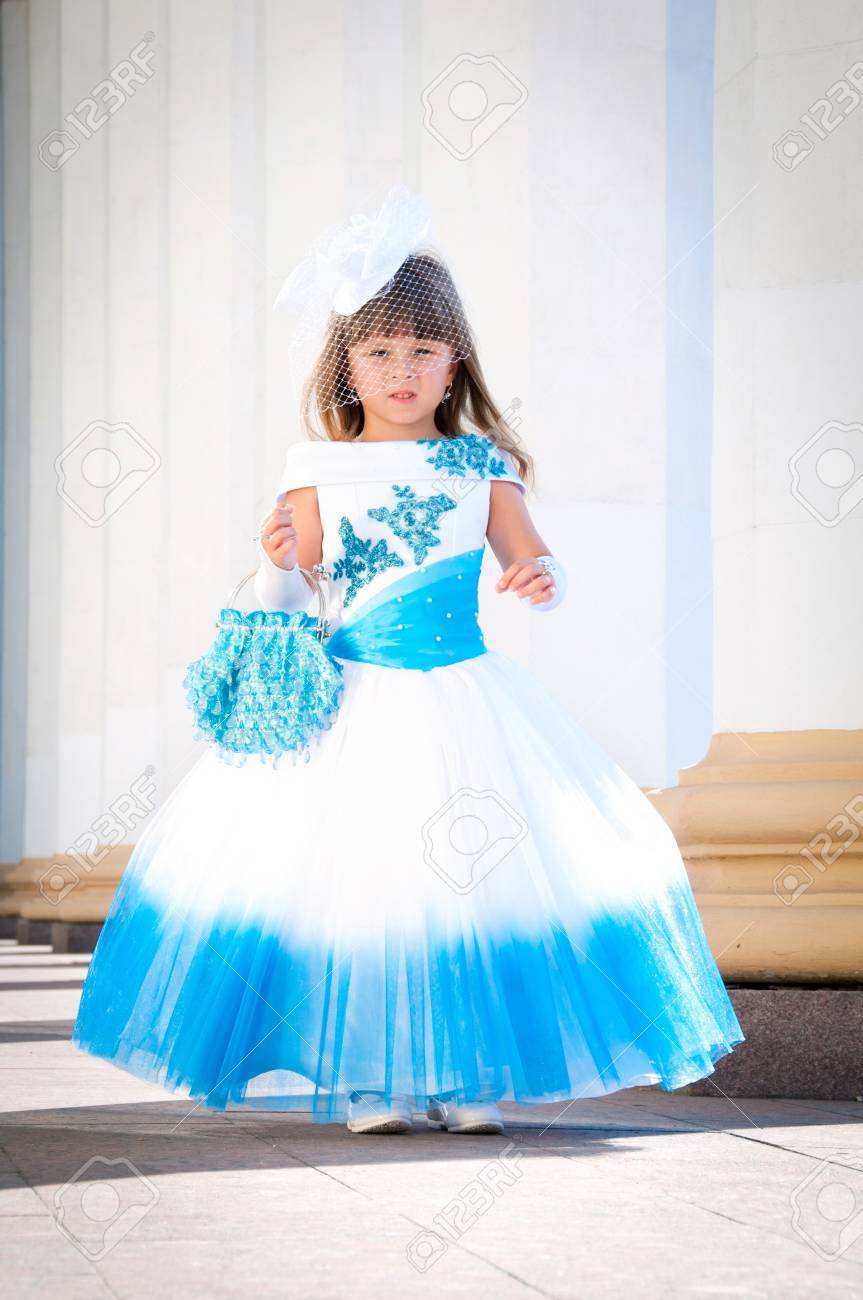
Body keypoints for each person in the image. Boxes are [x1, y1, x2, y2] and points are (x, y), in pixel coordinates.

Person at [72, 187, 743, 1136]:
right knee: (361, 878)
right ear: (345, 365)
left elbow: (530, 558)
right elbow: (291, 599)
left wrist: (542, 581)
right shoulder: (313, 466)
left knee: (464, 884)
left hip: (464, 697)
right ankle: (369, 1078)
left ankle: (465, 1073)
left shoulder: (482, 467)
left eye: (421, 351)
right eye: (379, 351)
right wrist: (272, 564)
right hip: (351, 700)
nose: (400, 368)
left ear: (452, 362)